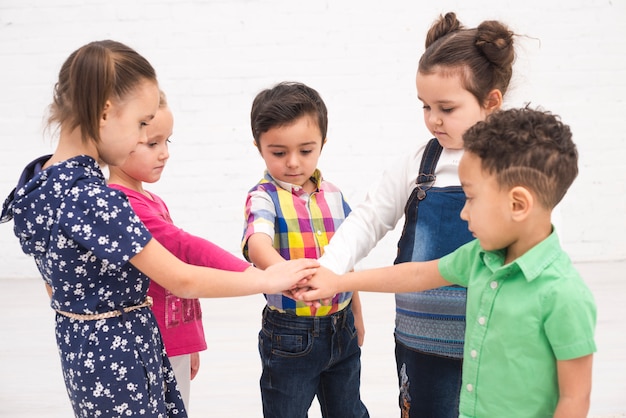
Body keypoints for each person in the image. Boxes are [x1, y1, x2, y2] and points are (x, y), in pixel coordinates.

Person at [0, 40, 318, 418]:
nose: (140, 139)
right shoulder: (93, 199)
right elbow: (181, 279)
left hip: (79, 349)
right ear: (105, 113)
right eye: (140, 124)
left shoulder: (36, 184)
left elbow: (54, 283)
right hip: (121, 355)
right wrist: (268, 279)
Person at [297, 107, 597, 418]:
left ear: (518, 204)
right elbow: (415, 275)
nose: (464, 213)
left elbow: (575, 399)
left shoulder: (565, 296)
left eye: (471, 198)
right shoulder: (479, 256)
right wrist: (338, 280)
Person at [313, 12, 515, 418]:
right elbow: (368, 219)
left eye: (447, 107)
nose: (433, 119)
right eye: (425, 106)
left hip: (498, 341)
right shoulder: (418, 165)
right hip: (421, 345)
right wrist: (329, 268)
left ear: (490, 101)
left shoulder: (517, 165)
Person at [107, 90, 250, 411]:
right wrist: (255, 275)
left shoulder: (153, 201)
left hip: (171, 343)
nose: (164, 154)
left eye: (167, 142)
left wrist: (187, 343)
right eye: (152, 144)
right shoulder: (122, 203)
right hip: (151, 344)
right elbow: (184, 249)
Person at [241, 81, 369, 418]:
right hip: (290, 335)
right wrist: (288, 275)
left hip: (341, 327)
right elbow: (258, 244)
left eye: (306, 150)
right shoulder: (263, 197)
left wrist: (356, 310)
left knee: (349, 410)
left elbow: (347, 259)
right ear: (259, 147)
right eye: (279, 152)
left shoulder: (335, 196)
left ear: (323, 144)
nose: (293, 163)